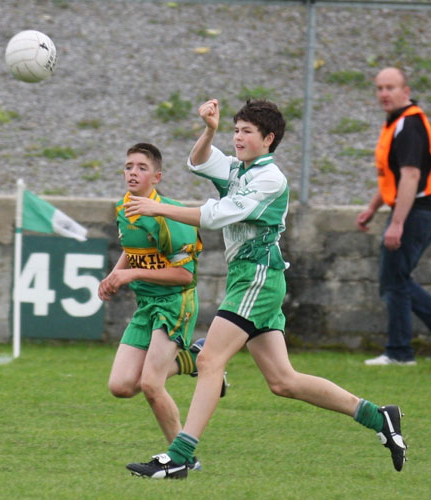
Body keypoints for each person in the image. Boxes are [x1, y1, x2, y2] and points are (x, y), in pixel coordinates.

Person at [124, 99, 407, 479]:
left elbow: (216, 215)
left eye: (246, 132)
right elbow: (198, 162)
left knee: (209, 361)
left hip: (258, 278)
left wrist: (158, 209)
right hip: (251, 278)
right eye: (236, 130)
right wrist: (209, 130)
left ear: (268, 138)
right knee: (283, 382)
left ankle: (180, 456)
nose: (237, 137)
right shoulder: (239, 169)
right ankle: (378, 416)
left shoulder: (269, 179)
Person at [98, 143, 215, 471]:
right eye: (128, 166)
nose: (133, 172)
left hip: (174, 304)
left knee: (151, 383)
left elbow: (183, 275)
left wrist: (131, 273)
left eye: (141, 167)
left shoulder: (169, 217)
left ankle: (183, 460)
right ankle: (193, 359)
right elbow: (131, 248)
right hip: (146, 305)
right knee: (121, 386)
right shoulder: (125, 207)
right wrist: (115, 274)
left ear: (157, 176)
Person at [357, 67, 431, 366]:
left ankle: (400, 352)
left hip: (416, 211)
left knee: (395, 280)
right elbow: (393, 175)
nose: (384, 94)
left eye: (390, 87)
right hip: (409, 209)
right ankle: (398, 350)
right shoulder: (396, 123)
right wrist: (373, 207)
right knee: (394, 279)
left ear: (406, 90)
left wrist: (397, 223)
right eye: (379, 88)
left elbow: (412, 176)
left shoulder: (409, 125)